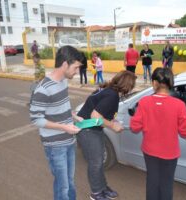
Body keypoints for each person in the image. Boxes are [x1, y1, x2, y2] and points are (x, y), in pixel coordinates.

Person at [29, 46, 84, 200]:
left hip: (69, 140)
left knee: (70, 182)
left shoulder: (63, 81)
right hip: (55, 146)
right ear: (65, 64)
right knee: (63, 185)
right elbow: (36, 119)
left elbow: (62, 106)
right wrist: (63, 127)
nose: (76, 72)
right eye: (75, 68)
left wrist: (74, 116)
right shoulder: (43, 89)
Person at [130, 67, 186, 200]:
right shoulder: (179, 105)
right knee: (166, 184)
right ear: (171, 84)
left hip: (149, 151)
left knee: (152, 182)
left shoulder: (144, 102)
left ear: (154, 83)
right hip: (170, 154)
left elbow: (134, 127)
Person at [77, 71, 137, 200]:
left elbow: (102, 113)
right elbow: (95, 117)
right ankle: (96, 193)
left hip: (93, 129)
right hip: (88, 130)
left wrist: (112, 121)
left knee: (98, 161)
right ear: (127, 86)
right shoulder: (112, 96)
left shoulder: (110, 91)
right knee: (96, 163)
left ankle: (102, 187)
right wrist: (112, 125)